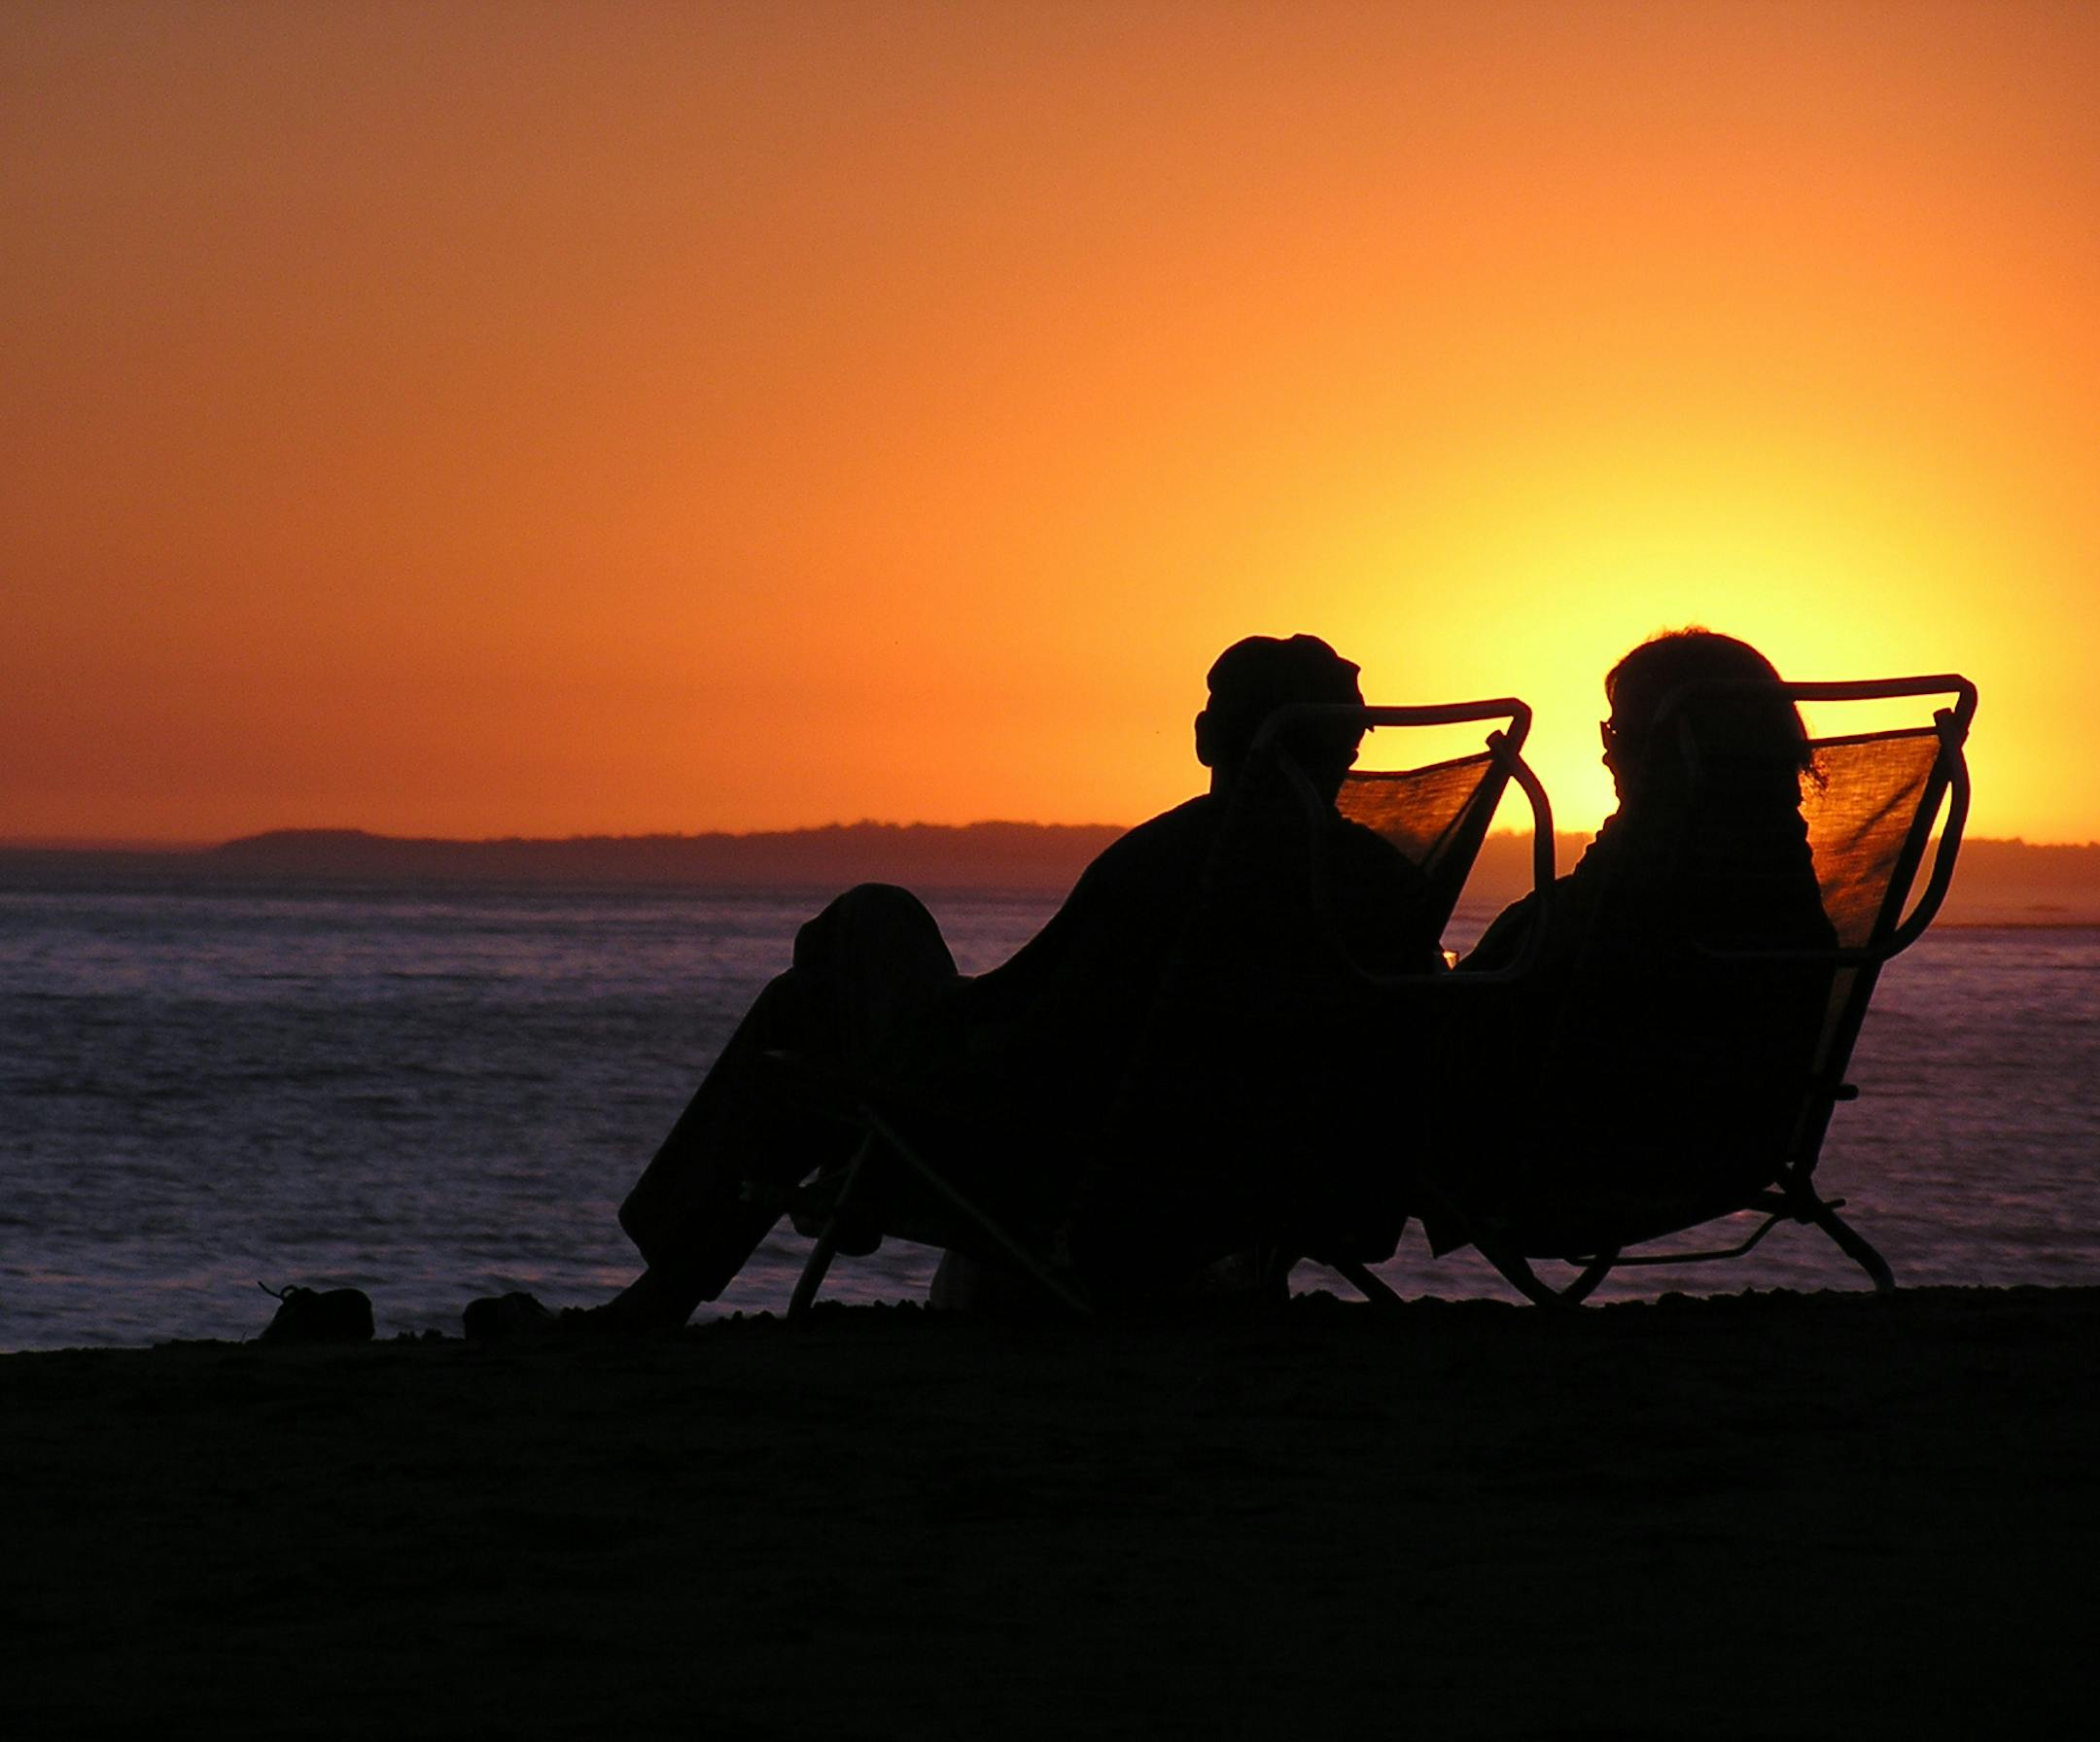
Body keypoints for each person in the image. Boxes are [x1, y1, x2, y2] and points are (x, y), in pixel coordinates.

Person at [476, 635, 1438, 1334]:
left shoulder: (1180, 859)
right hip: (1223, 1168)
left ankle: (668, 1285)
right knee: (833, 983)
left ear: (1208, 736)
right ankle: (695, 1263)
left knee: (862, 928)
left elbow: (1043, 1026)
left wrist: (917, 1067)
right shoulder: (1381, 880)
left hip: (1036, 1149)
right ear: (1344, 745)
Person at [1441, 628, 1838, 1250]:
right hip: (1726, 1135)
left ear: (1679, 746)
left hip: (1597, 1142)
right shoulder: (1772, 871)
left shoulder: (1654, 875)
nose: (1607, 757)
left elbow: (1534, 978)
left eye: (1621, 736)